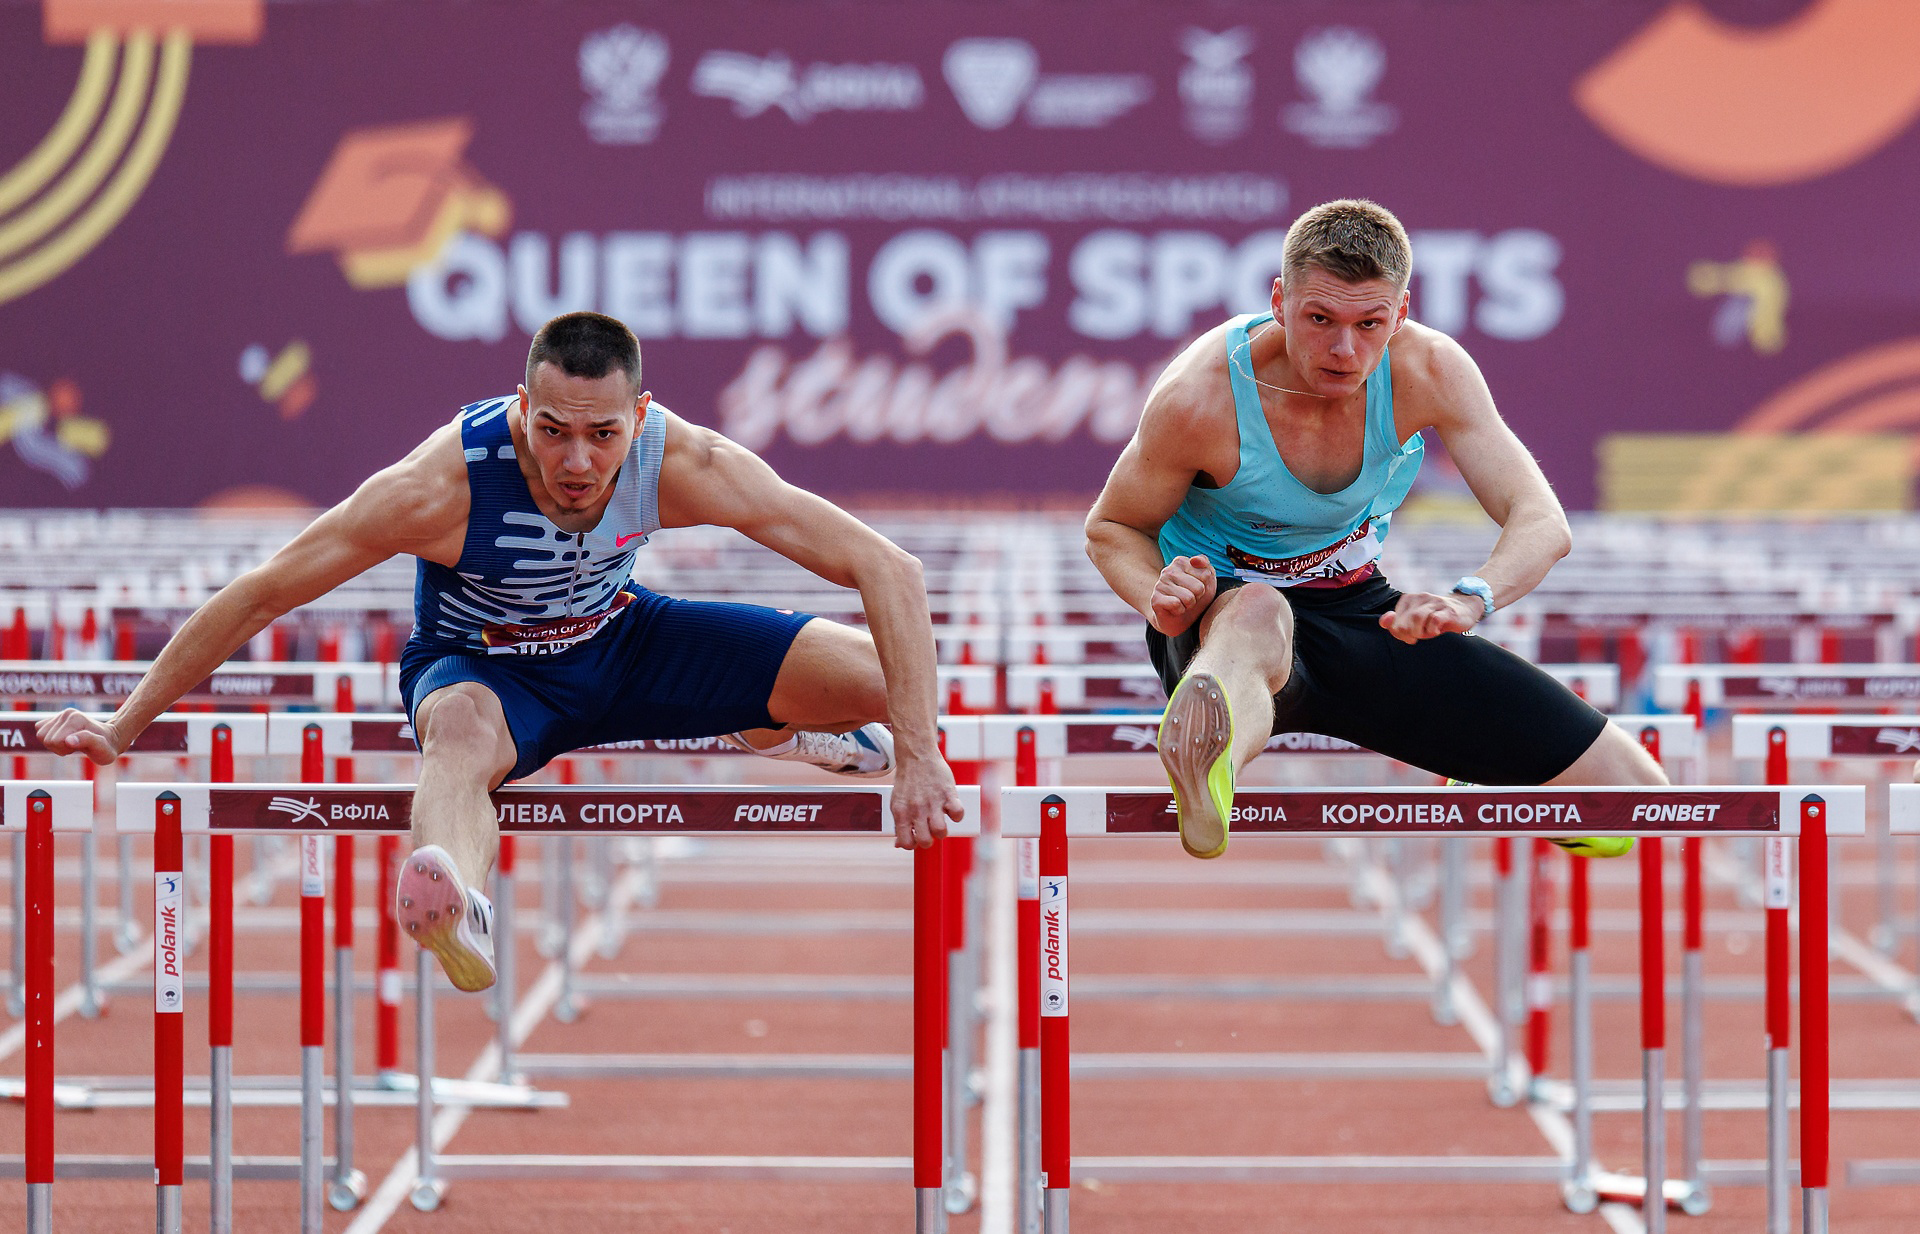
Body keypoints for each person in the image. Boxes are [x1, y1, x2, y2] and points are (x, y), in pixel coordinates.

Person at [38, 311, 963, 990]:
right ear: (523, 408)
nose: (575, 463)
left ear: (640, 418)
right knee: (461, 742)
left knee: (898, 680)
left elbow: (891, 571)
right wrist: (124, 723)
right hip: (487, 672)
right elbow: (261, 593)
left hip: (624, 639)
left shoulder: (685, 464)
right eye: (553, 431)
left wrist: (920, 757)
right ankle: (457, 902)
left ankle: (771, 728)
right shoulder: (438, 486)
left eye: (602, 436)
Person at [1084, 199, 1663, 860]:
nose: (1343, 349)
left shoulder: (1429, 370)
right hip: (1224, 620)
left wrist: (1466, 600)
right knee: (1260, 611)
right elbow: (1112, 528)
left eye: (1369, 324)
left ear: (1403, 314)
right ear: (1280, 301)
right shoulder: (1200, 398)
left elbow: (1542, 522)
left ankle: (1475, 763)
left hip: (1364, 616)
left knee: (1636, 797)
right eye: (1320, 319)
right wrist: (1158, 596)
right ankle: (1211, 770)